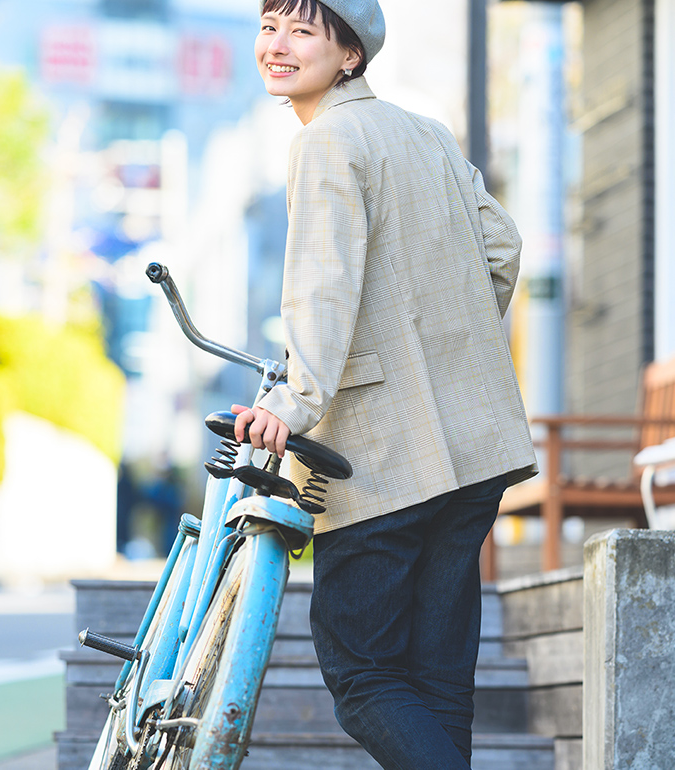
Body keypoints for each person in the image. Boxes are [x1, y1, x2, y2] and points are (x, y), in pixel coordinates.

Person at [232, 1, 538, 767]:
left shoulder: (326, 141)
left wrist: (293, 403)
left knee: (364, 675)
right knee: (439, 685)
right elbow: (502, 248)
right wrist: (450, 351)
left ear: (351, 56)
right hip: (476, 445)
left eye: (303, 30)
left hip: (381, 452)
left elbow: (323, 287)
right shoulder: (426, 133)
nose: (278, 44)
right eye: (269, 26)